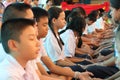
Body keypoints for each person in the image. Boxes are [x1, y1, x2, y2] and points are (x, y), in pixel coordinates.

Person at [32, 7, 96, 80]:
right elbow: (51, 67)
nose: (47, 28)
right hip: (49, 71)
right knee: (77, 70)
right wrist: (76, 70)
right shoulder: (50, 37)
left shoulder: (43, 39)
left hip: (50, 71)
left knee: (71, 70)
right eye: (44, 25)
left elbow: (52, 66)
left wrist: (76, 73)